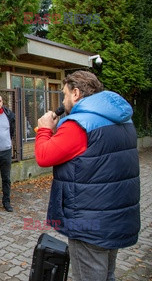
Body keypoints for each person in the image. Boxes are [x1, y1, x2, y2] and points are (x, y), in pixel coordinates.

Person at [35, 70, 140, 280]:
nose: (63, 100)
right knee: (107, 274)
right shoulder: (123, 121)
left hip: (88, 222)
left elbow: (44, 156)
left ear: (75, 93)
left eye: (64, 95)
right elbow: (88, 154)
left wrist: (45, 129)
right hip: (114, 217)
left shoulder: (78, 124)